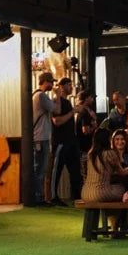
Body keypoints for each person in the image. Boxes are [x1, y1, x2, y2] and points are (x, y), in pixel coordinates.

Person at [29, 71, 61, 206]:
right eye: (51, 82)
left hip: (39, 137)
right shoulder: (41, 96)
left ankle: (38, 196)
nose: (53, 85)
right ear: (46, 82)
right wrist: (58, 96)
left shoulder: (36, 95)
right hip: (41, 137)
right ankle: (39, 197)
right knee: (41, 169)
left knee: (39, 168)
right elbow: (57, 110)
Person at [49, 77, 80, 205]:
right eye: (68, 84)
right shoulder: (57, 102)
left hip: (71, 141)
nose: (71, 87)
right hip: (61, 141)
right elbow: (57, 121)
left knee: (75, 170)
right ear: (61, 87)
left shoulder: (67, 102)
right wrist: (73, 112)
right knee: (57, 170)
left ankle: (77, 196)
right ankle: (53, 196)